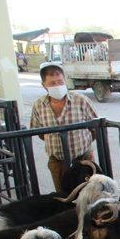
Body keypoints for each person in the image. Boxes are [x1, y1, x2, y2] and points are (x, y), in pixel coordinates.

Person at [30, 62, 98, 192]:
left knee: (89, 194)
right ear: (44, 85)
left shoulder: (80, 100)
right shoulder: (39, 105)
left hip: (84, 158)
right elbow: (39, 132)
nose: (57, 86)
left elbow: (95, 127)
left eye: (60, 82)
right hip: (58, 161)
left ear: (65, 81)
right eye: (52, 83)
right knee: (64, 196)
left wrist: (84, 145)